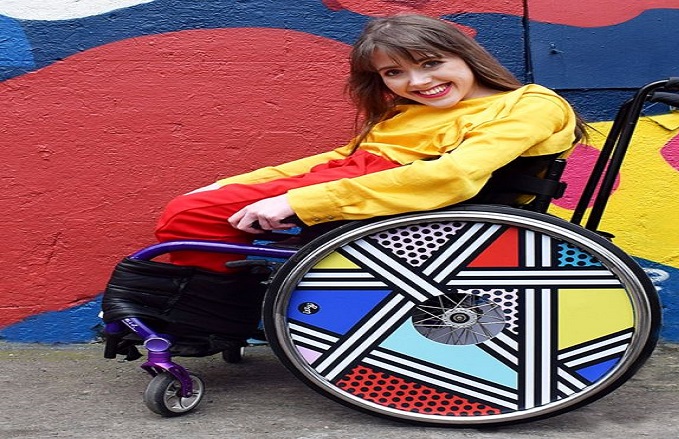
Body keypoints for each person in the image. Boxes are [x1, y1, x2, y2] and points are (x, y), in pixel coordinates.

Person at [101, 14, 584, 354]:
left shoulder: (530, 104)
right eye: (394, 73)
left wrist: (300, 201)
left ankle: (210, 323)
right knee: (195, 207)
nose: (417, 81)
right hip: (359, 180)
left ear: (466, 55)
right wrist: (232, 184)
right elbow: (339, 159)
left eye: (431, 62)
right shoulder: (410, 113)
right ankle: (216, 317)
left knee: (191, 217)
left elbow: (455, 175)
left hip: (410, 201)